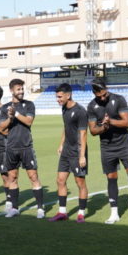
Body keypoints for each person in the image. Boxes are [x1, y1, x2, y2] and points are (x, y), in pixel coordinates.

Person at [88, 78, 128, 224]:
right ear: (94, 93)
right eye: (99, 96)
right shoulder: (92, 106)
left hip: (124, 144)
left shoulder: (119, 100)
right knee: (111, 178)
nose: (102, 98)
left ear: (106, 89)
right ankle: (114, 213)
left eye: (104, 94)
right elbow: (93, 131)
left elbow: (127, 122)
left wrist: (110, 121)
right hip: (107, 147)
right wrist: (103, 128)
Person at [0, 78, 45, 218]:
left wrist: (16, 114)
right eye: (18, 89)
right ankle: (14, 208)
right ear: (12, 90)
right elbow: (2, 126)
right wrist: (9, 117)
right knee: (12, 177)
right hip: (11, 147)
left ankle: (40, 208)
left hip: (26, 147)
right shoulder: (4, 107)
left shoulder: (29, 105)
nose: (21, 91)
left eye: (22, 89)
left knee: (33, 176)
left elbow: (29, 121)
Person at [49, 83, 88, 222]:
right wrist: (61, 144)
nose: (57, 100)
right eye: (57, 97)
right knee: (60, 180)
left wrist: (82, 156)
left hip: (77, 152)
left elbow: (83, 134)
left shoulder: (81, 111)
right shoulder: (64, 108)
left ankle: (81, 213)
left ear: (68, 95)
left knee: (80, 183)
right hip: (66, 151)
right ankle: (62, 212)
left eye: (59, 97)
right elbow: (66, 128)